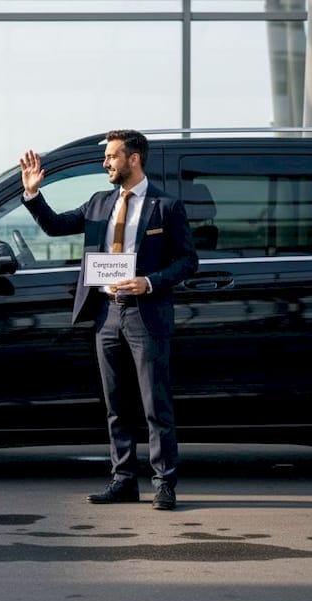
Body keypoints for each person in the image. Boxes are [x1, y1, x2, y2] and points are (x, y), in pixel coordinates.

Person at [21, 129, 198, 510]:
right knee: (116, 405)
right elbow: (54, 225)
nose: (106, 164)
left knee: (155, 404)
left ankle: (164, 483)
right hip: (107, 316)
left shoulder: (165, 207)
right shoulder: (99, 203)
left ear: (133, 159)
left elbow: (188, 261)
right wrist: (34, 193)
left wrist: (149, 282)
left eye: (112, 157)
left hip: (145, 315)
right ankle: (123, 480)